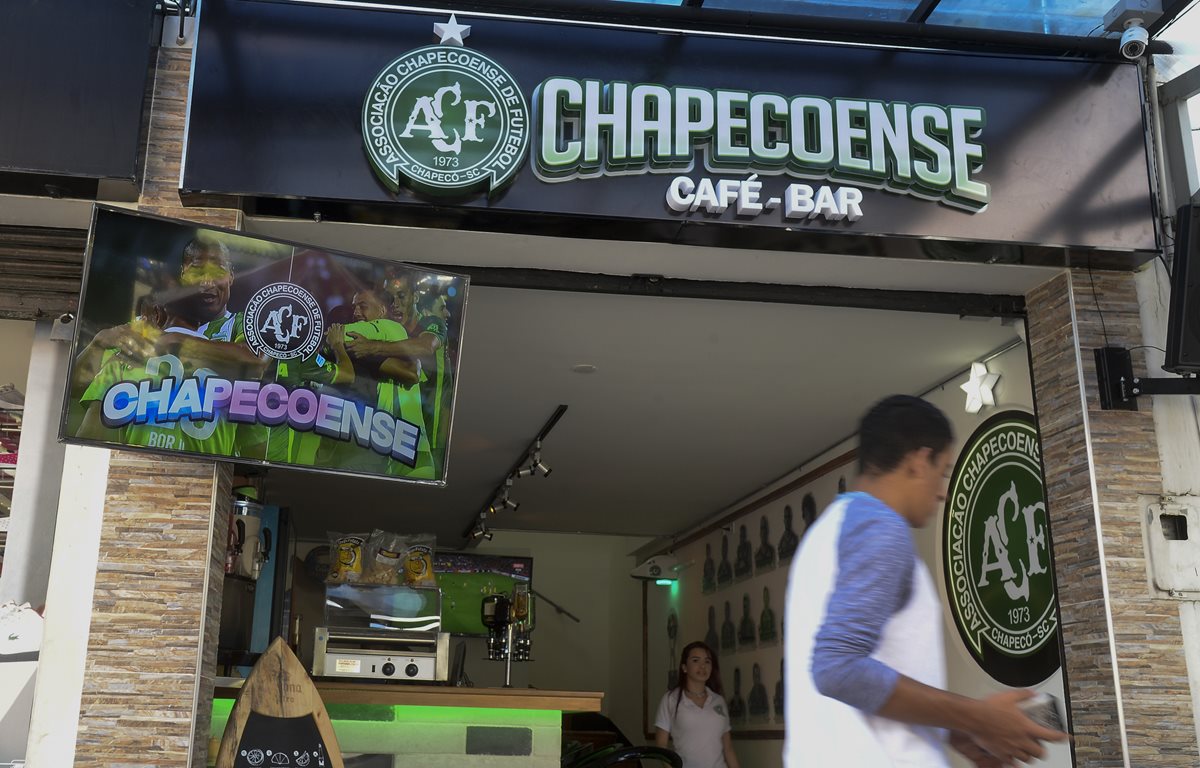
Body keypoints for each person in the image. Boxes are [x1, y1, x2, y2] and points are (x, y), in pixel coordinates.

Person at [784, 395, 1068, 767]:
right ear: (919, 462)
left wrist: (952, 731)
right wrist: (978, 717)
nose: (942, 491)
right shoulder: (881, 528)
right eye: (944, 471)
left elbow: (860, 673)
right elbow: (837, 669)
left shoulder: (824, 534)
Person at [654, 641, 742, 768]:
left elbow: (728, 749)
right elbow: (661, 747)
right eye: (696, 661)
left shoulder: (719, 701)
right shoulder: (670, 699)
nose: (702, 666)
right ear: (684, 667)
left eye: (707, 661)